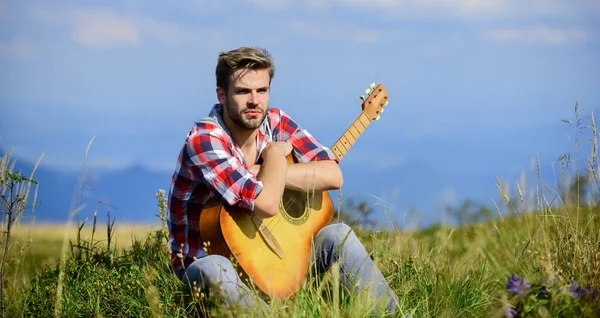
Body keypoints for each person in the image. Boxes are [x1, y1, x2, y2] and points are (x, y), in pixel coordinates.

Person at [167, 46, 399, 315]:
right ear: (222, 95)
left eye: (262, 90)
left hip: (280, 256)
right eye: (243, 92)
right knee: (212, 270)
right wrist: (275, 154)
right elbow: (266, 204)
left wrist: (267, 173)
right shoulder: (205, 139)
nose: (254, 101)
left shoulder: (276, 121)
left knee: (338, 234)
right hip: (212, 264)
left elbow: (332, 175)